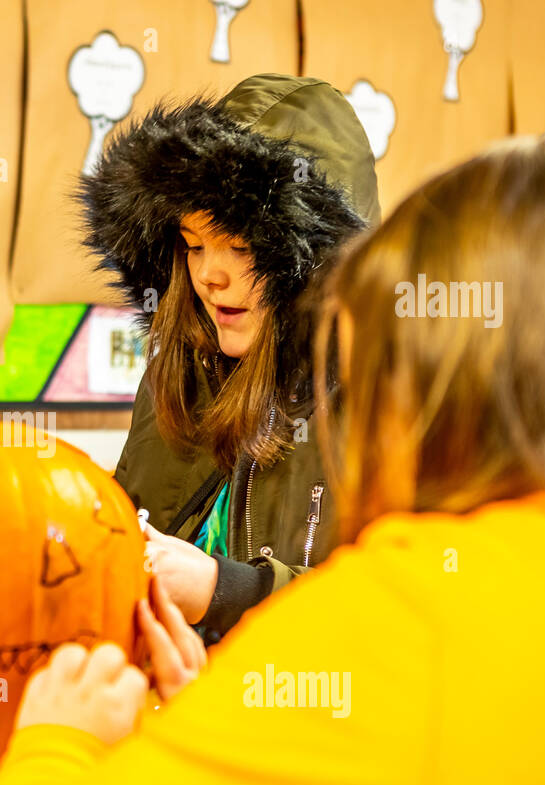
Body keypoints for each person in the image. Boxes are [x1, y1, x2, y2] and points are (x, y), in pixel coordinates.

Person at [0, 134, 545, 785]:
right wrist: (246, 718)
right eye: (193, 247)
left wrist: (56, 737)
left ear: (414, 383)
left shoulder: (417, 618)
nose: (211, 277)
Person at [81, 75, 379, 642]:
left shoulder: (384, 396)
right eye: (194, 245)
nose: (209, 276)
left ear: (315, 258)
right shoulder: (181, 370)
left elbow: (391, 621)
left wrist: (223, 591)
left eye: (240, 248)